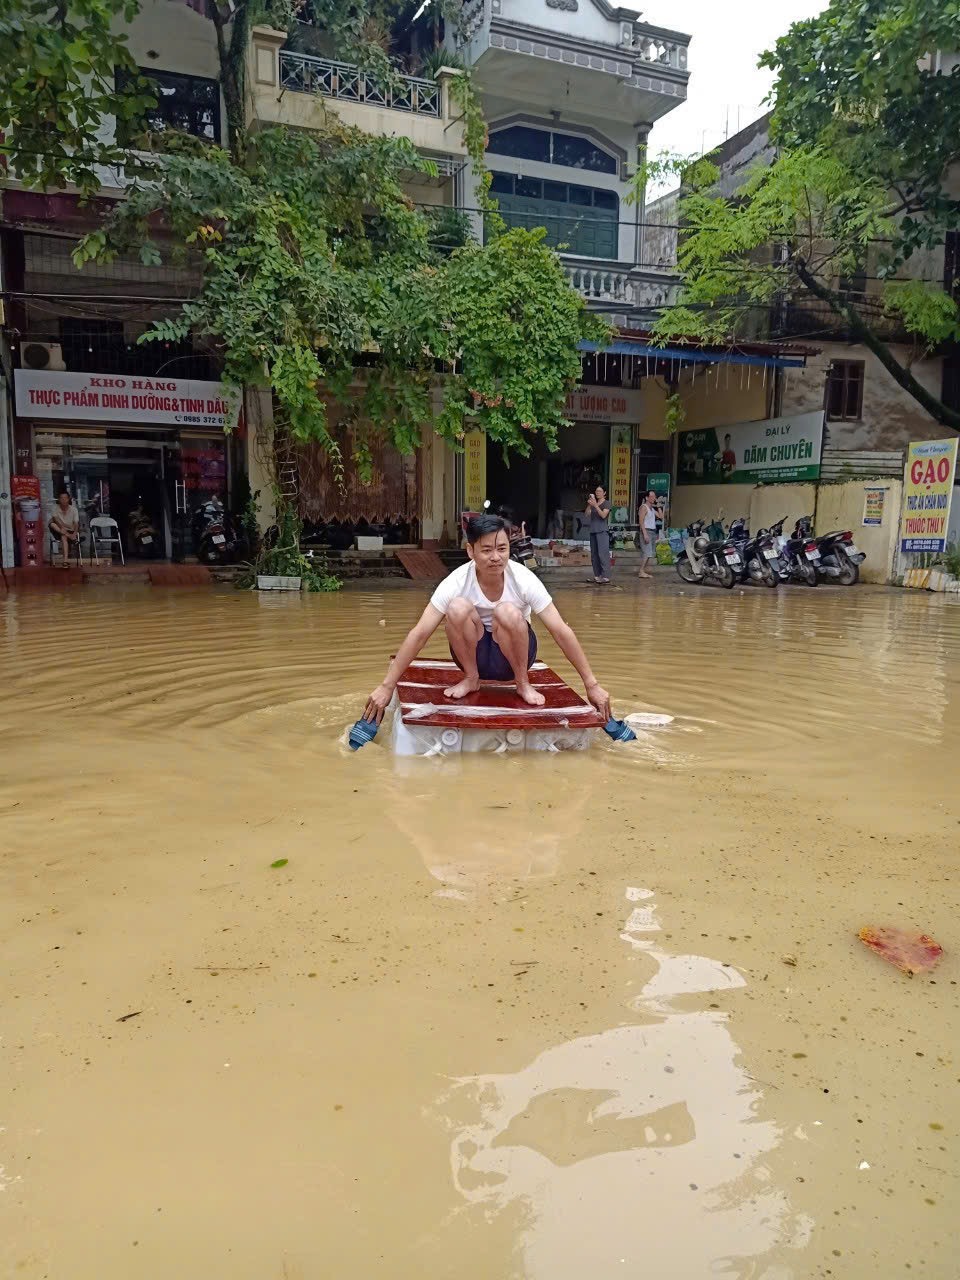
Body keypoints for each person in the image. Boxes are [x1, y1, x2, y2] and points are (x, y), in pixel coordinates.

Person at [363, 514, 611, 723]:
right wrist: (386, 687)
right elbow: (419, 634)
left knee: (507, 611)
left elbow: (560, 630)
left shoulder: (524, 579)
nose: (496, 557)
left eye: (502, 549)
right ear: (470, 551)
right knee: (457, 608)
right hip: (476, 657)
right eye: (487, 550)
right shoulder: (456, 582)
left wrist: (591, 684)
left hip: (515, 656)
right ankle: (471, 679)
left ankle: (522, 684)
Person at [585, 485, 612, 584]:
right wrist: (589, 504)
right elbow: (587, 514)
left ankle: (606, 576)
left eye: (600, 491)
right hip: (593, 530)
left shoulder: (607, 503)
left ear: (604, 493)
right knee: (594, 555)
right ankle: (597, 575)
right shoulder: (593, 503)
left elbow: (603, 515)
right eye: (596, 491)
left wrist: (595, 505)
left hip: (602, 531)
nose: (597, 493)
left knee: (603, 554)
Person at [48, 490, 80, 568]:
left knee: (63, 536)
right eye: (61, 498)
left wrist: (75, 534)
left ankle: (65, 561)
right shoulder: (55, 508)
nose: (64, 500)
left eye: (65, 498)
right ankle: (71, 538)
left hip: (70, 531)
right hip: (58, 530)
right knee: (52, 524)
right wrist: (62, 528)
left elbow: (76, 523)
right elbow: (55, 519)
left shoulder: (74, 509)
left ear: (69, 499)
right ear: (59, 499)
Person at [637, 489, 659, 580]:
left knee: (650, 553)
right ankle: (641, 571)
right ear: (646, 497)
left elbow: (661, 516)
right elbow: (641, 521)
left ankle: (642, 571)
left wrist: (659, 506)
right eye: (651, 496)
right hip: (646, 531)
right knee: (647, 552)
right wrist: (645, 534)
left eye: (654, 496)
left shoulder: (652, 509)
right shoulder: (644, 507)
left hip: (652, 532)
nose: (654, 498)